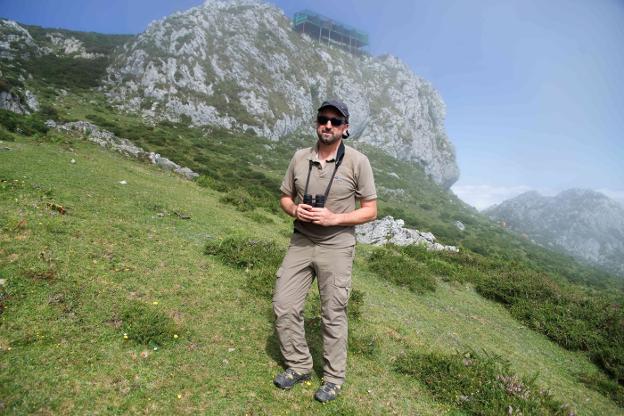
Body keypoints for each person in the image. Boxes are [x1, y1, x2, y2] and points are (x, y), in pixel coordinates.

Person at [272, 99, 377, 402]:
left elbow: (370, 210)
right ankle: (299, 364)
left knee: (333, 313)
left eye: (335, 120)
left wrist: (335, 218)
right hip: (301, 241)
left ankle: (332, 379)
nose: (327, 124)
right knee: (284, 304)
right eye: (323, 118)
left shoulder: (358, 162)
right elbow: (284, 197)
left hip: (337, 245)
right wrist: (294, 210)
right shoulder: (299, 157)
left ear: (345, 128)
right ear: (317, 122)